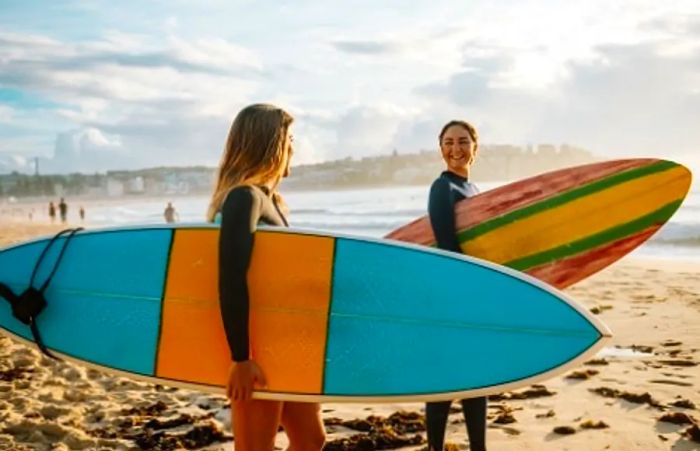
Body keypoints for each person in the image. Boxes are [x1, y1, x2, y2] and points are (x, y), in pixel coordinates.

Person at [206, 103, 325, 450]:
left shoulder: (272, 202)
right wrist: (241, 358)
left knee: (311, 439)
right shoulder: (244, 198)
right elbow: (230, 277)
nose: (294, 147)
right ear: (270, 145)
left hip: (285, 343)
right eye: (290, 138)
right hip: (257, 347)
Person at [425, 120, 486, 451]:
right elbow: (447, 247)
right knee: (445, 376)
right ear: (441, 148)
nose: (455, 148)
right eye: (448, 142)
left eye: (463, 141)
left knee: (476, 376)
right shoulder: (442, 188)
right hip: (451, 294)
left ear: (475, 147)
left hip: (473, 292)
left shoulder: (474, 191)